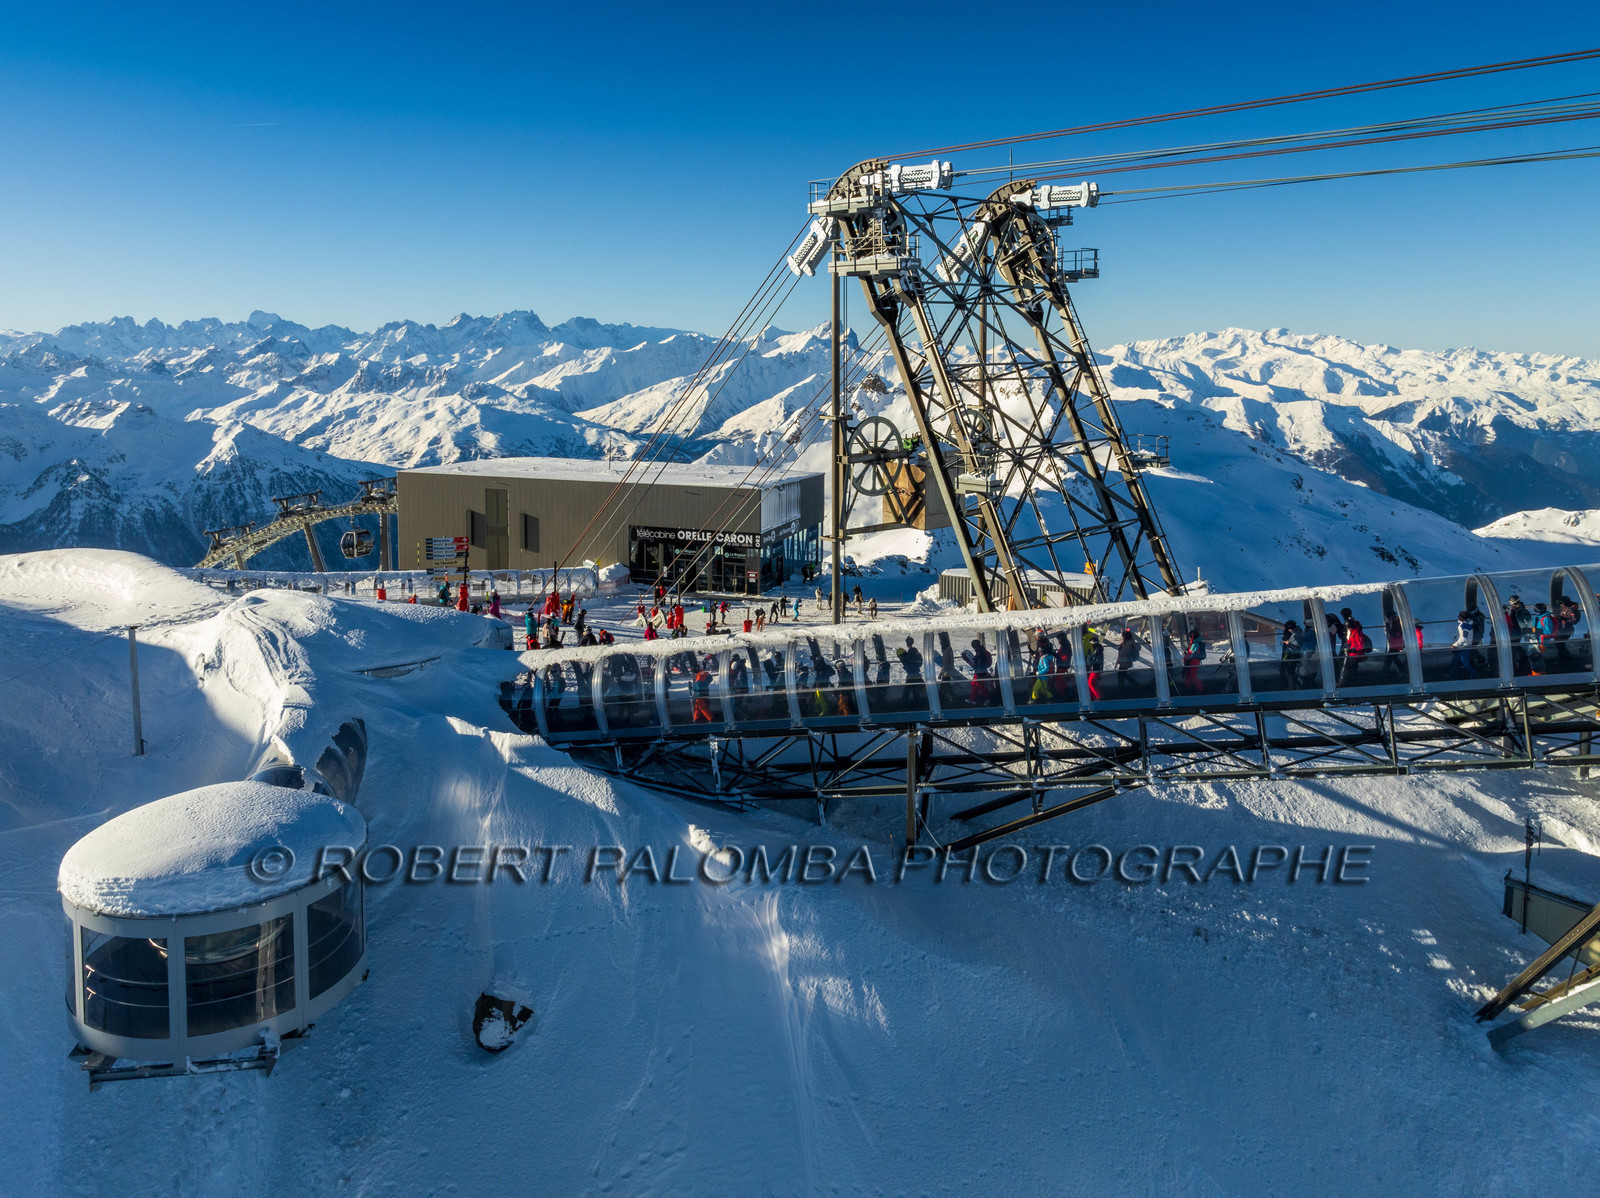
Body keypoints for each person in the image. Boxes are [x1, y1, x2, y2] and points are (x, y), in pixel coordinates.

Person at [1340, 619, 1370, 686]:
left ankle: (1353, 682)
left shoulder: (1357, 633)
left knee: (1352, 669)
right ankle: (1351, 681)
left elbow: (1361, 646)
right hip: (1351, 654)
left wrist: (1352, 650)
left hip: (1355, 655)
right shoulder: (1352, 632)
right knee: (1350, 669)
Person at [896, 635, 924, 706]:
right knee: (914, 689)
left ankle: (905, 703)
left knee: (908, 690)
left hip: (912, 675)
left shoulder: (910, 652)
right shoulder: (914, 651)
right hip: (916, 674)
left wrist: (906, 667)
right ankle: (917, 702)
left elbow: (909, 664)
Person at [1450, 609, 1477, 679]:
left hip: (1464, 647)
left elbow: (1463, 638)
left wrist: (1455, 645)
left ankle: (1474, 675)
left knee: (1465, 663)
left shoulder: (1464, 626)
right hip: (1463, 646)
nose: (1458, 617)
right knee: (1456, 661)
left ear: (1463, 617)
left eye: (1459, 616)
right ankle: (1451, 673)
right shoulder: (1466, 625)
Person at [1382, 613, 1406, 681]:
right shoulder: (1396, 623)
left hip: (1396, 644)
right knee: (1393, 658)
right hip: (1395, 644)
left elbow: (1397, 634)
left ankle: (1386, 672)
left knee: (1391, 658)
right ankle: (1401, 671)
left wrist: (1390, 631)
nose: (1389, 620)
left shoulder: (1397, 623)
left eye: (1389, 619)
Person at [1182, 629, 1205, 694]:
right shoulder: (1196, 642)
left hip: (1193, 660)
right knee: (1188, 674)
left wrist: (1187, 657)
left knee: (1192, 674)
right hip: (1193, 660)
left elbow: (1192, 652)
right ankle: (1188, 686)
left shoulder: (1195, 644)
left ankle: (1200, 688)